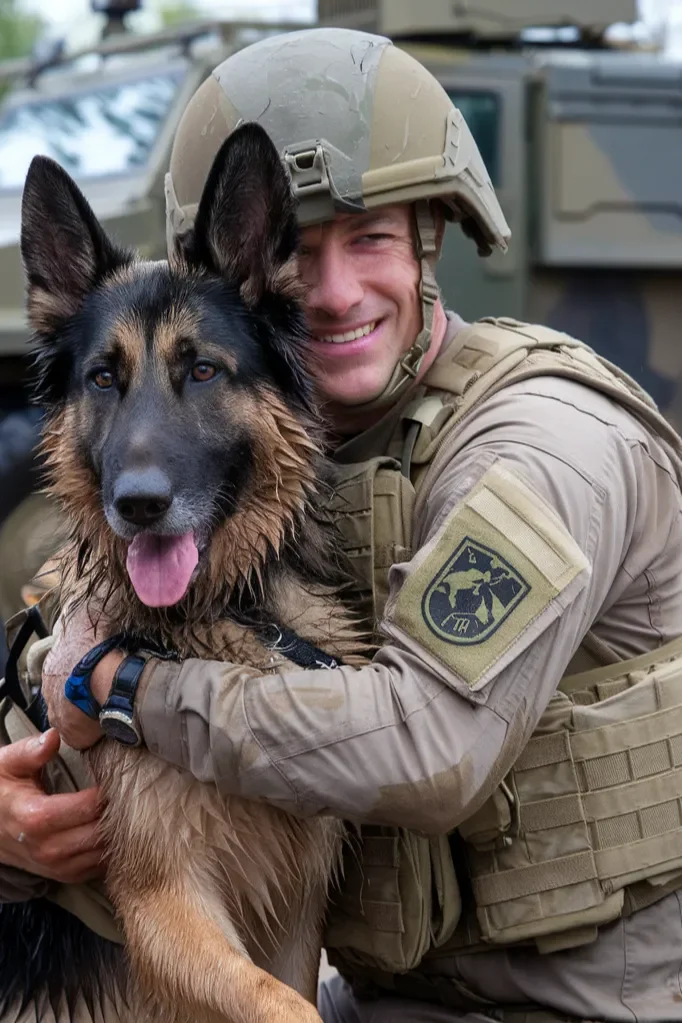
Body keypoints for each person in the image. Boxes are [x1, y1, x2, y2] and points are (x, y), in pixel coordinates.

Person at [4, 26, 682, 1023]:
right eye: (298, 251)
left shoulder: (539, 445)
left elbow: (426, 751)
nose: (327, 295)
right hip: (390, 990)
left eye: (366, 240)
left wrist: (124, 686)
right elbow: (75, 611)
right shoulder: (294, 454)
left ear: (430, 241)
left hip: (569, 1002)